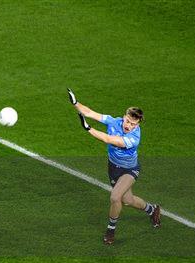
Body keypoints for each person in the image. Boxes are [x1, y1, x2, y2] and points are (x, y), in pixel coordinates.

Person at [67, 88, 161, 245]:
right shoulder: (114, 121)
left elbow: (108, 139)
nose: (128, 126)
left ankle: (110, 230)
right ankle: (152, 210)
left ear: (137, 124)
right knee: (127, 199)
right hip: (113, 167)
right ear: (124, 117)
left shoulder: (134, 137)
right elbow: (90, 113)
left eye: (133, 124)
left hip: (129, 170)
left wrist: (89, 129)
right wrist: (75, 103)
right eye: (127, 121)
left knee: (115, 197)